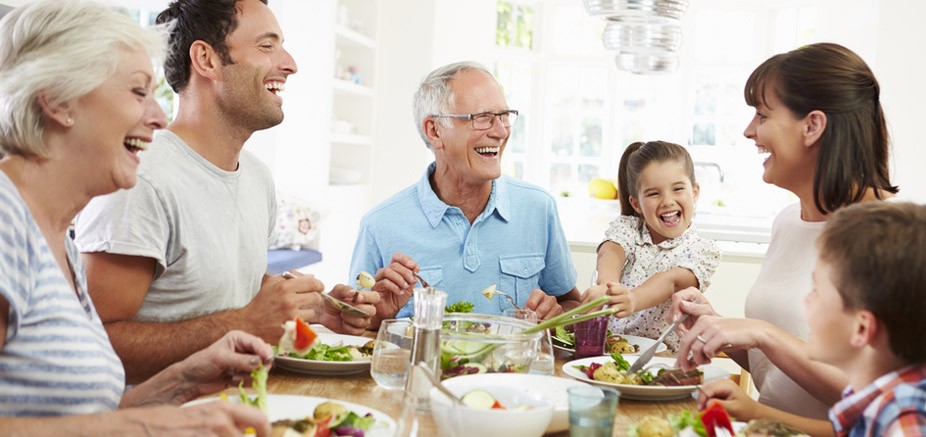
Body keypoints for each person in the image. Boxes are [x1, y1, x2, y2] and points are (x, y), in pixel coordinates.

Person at [0, 1, 271, 434]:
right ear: (58, 99)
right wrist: (143, 427)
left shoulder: (56, 237)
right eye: (137, 92)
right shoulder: (5, 221)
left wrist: (181, 382)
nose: (159, 118)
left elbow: (81, 416)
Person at [74, 0, 379, 383]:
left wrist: (316, 310)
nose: (290, 64)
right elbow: (94, 343)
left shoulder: (257, 177)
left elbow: (231, 290)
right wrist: (245, 322)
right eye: (266, 46)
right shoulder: (141, 179)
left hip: (243, 402)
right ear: (207, 59)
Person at [669, 42, 898, 436]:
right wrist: (718, 328)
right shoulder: (788, 222)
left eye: (762, 115)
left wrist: (764, 337)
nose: (749, 131)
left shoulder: (890, 238)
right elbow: (779, 372)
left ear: (812, 126)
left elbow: (879, 408)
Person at [349, 61, 582, 326]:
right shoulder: (379, 225)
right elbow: (356, 326)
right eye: (482, 118)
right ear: (435, 131)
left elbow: (572, 304)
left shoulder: (538, 208)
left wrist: (558, 316)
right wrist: (377, 317)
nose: (501, 131)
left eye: (504, 115)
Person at [805, 201, 926, 435]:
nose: (807, 300)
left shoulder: (907, 426)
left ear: (861, 328)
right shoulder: (925, 385)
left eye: (816, 290)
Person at [581, 141, 720, 352]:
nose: (667, 201)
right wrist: (607, 286)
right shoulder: (629, 228)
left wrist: (633, 299)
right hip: (611, 353)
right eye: (654, 193)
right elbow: (611, 251)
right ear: (636, 204)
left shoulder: (702, 249)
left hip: (665, 360)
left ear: (694, 192)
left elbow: (672, 281)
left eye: (678, 189)